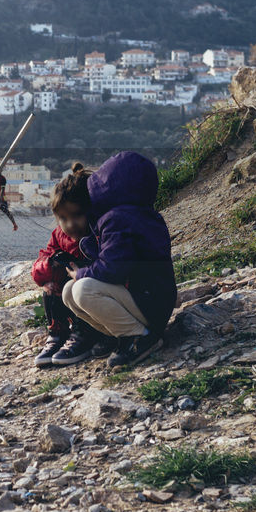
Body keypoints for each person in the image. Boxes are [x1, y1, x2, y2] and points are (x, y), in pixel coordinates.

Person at [58, 151, 177, 368]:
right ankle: (121, 335)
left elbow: (112, 269)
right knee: (68, 291)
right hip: (149, 299)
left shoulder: (117, 219)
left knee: (81, 289)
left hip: (149, 301)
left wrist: (81, 273)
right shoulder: (127, 214)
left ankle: (139, 338)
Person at [31, 164, 98, 366]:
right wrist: (47, 275)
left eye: (76, 215)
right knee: (52, 286)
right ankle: (57, 333)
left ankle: (84, 332)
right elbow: (44, 256)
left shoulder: (97, 232)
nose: (70, 224)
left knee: (76, 286)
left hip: (90, 293)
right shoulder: (59, 235)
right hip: (69, 294)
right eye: (63, 218)